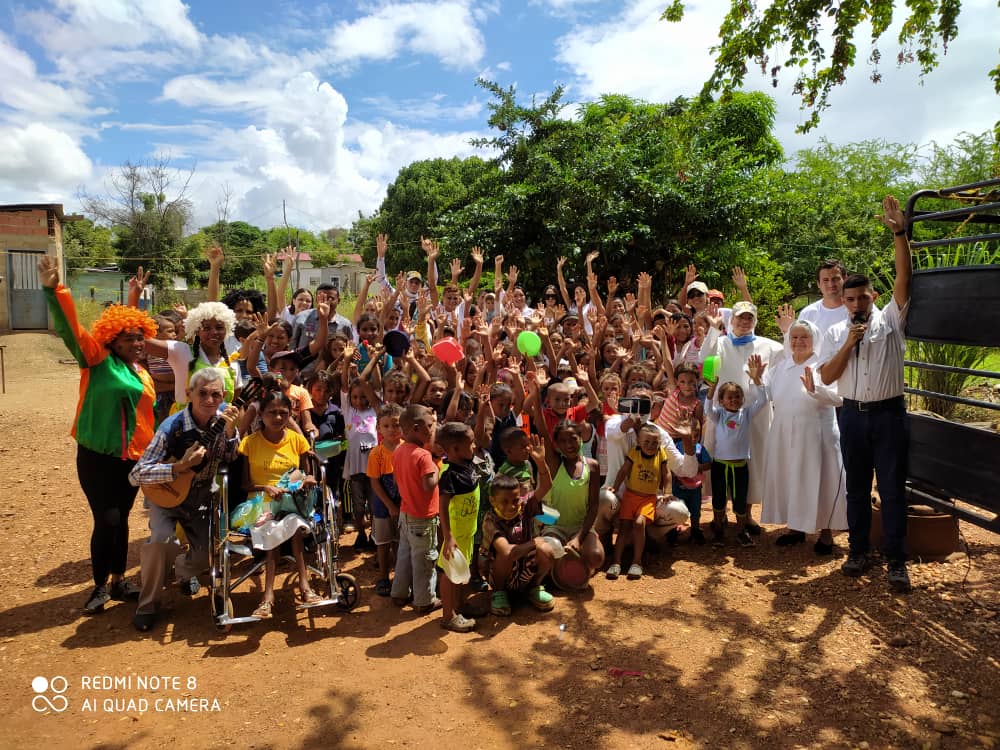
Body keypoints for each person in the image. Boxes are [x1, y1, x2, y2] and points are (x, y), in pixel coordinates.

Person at [39, 256, 157, 613]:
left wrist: (133, 300)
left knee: (121, 519)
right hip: (98, 457)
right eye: (130, 338)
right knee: (107, 519)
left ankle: (120, 581)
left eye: (142, 337)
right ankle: (99, 586)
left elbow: (129, 326)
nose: (138, 343)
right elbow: (70, 328)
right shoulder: (96, 360)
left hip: (133, 458)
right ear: (113, 341)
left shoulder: (137, 369)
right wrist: (53, 288)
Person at [819, 195, 913, 592]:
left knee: (891, 489)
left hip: (889, 415)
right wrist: (847, 346)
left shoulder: (892, 319)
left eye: (864, 297)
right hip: (853, 416)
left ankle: (896, 560)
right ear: (843, 302)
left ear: (874, 297)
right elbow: (826, 376)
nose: (857, 302)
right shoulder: (837, 332)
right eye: (850, 298)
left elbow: (904, 278)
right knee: (856, 488)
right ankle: (858, 552)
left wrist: (899, 234)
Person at [127, 369, 241, 631]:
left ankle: (179, 571)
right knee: (159, 543)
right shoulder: (172, 426)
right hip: (165, 497)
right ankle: (148, 605)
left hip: (201, 498)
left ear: (223, 396)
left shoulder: (223, 419)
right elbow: (136, 474)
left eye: (215, 394)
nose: (209, 400)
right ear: (189, 394)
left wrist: (233, 433)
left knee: (204, 558)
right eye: (202, 393)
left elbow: (231, 457)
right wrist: (178, 469)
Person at [761, 312, 847, 554]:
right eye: (794, 336)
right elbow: (768, 395)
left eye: (804, 337)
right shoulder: (781, 366)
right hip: (784, 433)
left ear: (814, 339)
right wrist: (757, 381)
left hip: (816, 435)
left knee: (821, 480)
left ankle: (826, 533)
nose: (798, 341)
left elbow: (840, 398)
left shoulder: (824, 366)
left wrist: (815, 389)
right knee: (791, 477)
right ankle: (796, 527)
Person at [239, 388, 325, 617]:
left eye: (283, 413)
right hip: (260, 502)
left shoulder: (297, 441)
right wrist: (266, 487)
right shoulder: (249, 443)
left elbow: (305, 475)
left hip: (291, 501)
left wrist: (304, 480)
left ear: (290, 415)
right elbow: (245, 484)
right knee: (273, 526)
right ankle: (272, 594)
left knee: (294, 525)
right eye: (272, 412)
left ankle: (291, 590)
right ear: (261, 415)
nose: (278, 418)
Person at [706, 354, 768, 547]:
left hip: (740, 466)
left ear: (742, 399)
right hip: (720, 465)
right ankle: (718, 529)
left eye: (737, 397)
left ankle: (741, 531)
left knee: (740, 500)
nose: (733, 400)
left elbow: (764, 400)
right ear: (722, 401)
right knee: (719, 498)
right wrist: (711, 390)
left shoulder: (746, 413)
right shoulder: (718, 415)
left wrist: (757, 380)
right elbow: (708, 408)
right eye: (729, 397)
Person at [390, 404, 442, 613]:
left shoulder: (400, 450)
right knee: (424, 560)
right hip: (423, 517)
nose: (432, 430)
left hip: (406, 513)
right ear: (416, 428)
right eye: (430, 426)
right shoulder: (423, 456)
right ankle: (424, 600)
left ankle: (399, 593)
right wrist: (437, 469)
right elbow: (428, 486)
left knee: (405, 555)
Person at [604, 422, 670, 580]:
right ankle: (616, 562)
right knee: (624, 527)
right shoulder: (634, 453)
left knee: (640, 523)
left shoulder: (661, 454)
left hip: (648, 499)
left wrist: (668, 491)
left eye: (654, 442)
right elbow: (623, 471)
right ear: (639, 442)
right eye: (646, 441)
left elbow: (666, 474)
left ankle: (636, 562)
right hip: (630, 496)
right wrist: (614, 486)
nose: (650, 445)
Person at [436, 422, 481, 632]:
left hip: (467, 533)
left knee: (463, 571)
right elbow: (442, 506)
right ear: (454, 449)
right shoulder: (449, 475)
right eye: (470, 443)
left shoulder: (467, 464)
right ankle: (448, 616)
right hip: (455, 536)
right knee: (448, 573)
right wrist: (448, 535)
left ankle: (460, 606)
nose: (474, 446)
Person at [366, 403, 404, 597]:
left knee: (399, 541)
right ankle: (383, 577)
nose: (392, 430)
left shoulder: (406, 449)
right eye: (386, 426)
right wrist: (389, 505)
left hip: (403, 505)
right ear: (378, 428)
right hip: (382, 506)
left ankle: (400, 576)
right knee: (383, 543)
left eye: (396, 425)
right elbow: (375, 483)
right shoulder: (376, 453)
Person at [798, 259, 849, 342]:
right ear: (818, 284)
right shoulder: (807, 314)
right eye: (825, 280)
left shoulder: (856, 310)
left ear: (845, 279)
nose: (831, 284)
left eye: (835, 279)